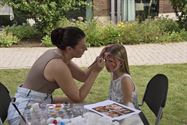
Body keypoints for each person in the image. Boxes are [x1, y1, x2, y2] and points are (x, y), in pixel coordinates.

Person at [7, 26, 105, 125]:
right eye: (82, 46)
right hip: (23, 113)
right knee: (82, 115)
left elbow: (83, 76)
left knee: (84, 108)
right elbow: (78, 97)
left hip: (37, 103)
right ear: (69, 49)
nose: (86, 49)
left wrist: (99, 59)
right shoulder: (57, 65)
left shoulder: (58, 54)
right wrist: (95, 72)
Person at [103, 44, 138, 108]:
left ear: (121, 62)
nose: (107, 64)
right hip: (114, 110)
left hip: (128, 114)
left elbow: (128, 105)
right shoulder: (114, 73)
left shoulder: (125, 80)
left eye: (111, 61)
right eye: (105, 60)